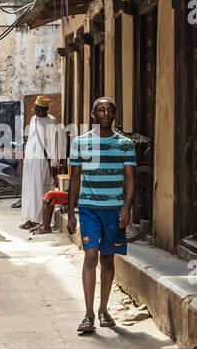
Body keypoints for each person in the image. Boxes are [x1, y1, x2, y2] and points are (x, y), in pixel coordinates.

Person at [66, 96, 135, 333]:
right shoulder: (80, 143)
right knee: (90, 255)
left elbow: (130, 178)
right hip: (89, 209)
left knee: (108, 258)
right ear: (93, 114)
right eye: (101, 110)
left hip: (114, 210)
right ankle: (88, 314)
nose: (105, 113)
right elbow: (75, 178)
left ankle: (104, 309)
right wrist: (71, 213)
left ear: (115, 114)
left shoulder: (125, 144)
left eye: (110, 110)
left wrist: (126, 207)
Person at [20, 95, 64, 230]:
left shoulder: (51, 121)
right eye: (37, 109)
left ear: (47, 109)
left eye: (42, 110)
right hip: (30, 161)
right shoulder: (33, 119)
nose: (38, 112)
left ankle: (39, 220)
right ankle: (29, 218)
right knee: (29, 190)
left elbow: (54, 145)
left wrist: (54, 164)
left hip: (42, 162)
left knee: (40, 190)